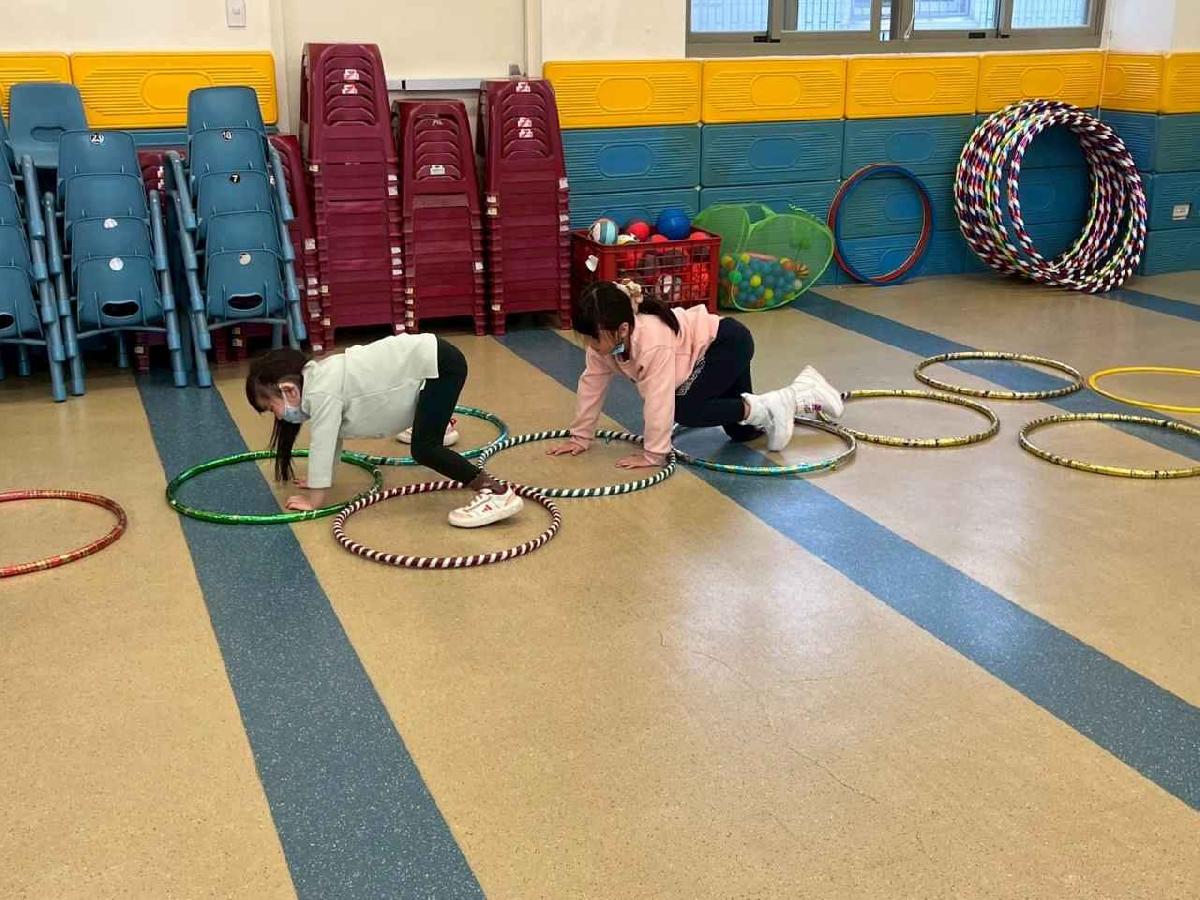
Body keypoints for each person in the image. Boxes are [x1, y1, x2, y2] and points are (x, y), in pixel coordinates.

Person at [548, 280, 843, 468]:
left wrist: (653, 454)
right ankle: (802, 394)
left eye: (594, 338)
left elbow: (659, 400)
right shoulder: (604, 346)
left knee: (685, 408)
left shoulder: (651, 343)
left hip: (725, 344)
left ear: (622, 329)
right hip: (713, 352)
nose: (590, 345)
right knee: (741, 433)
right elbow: (590, 387)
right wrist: (580, 437)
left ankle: (782, 401)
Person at [245, 333, 522, 528]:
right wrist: (320, 477)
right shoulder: (318, 378)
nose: (277, 416)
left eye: (271, 408)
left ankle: (496, 492)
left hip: (439, 366)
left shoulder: (320, 392)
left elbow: (323, 442)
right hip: (429, 363)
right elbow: (333, 436)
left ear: (289, 390)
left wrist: (314, 500)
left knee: (425, 449)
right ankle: (436, 424)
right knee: (425, 433)